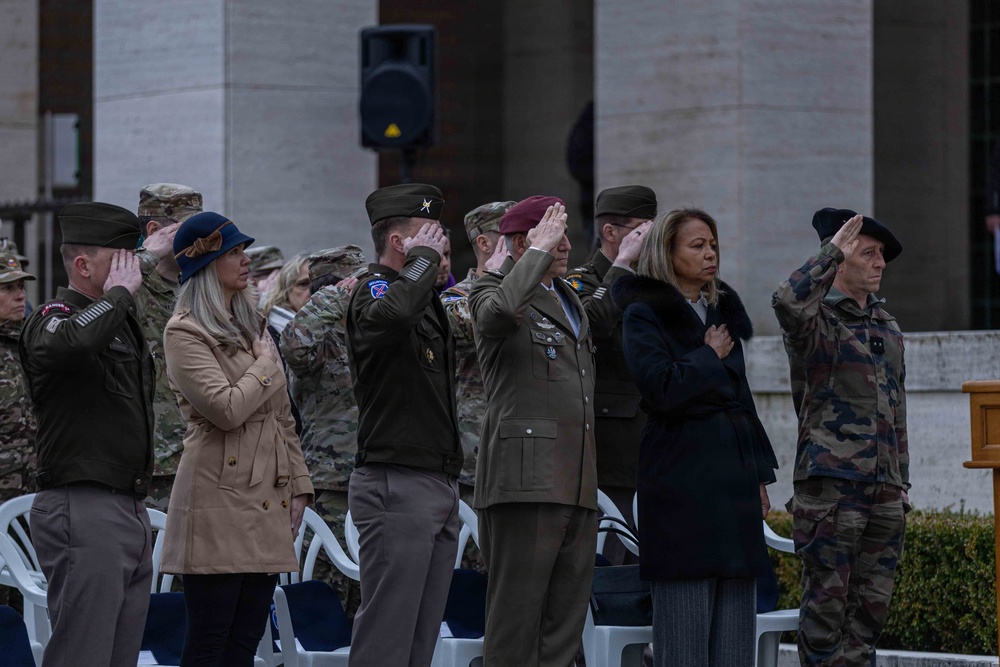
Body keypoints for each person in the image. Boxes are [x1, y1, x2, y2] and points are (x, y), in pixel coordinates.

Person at [611, 208, 778, 666]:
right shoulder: (643, 313)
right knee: (684, 631)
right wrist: (707, 356)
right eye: (697, 245)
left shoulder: (720, 310)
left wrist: (760, 476)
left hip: (732, 476)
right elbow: (660, 388)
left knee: (735, 629)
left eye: (713, 245)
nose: (710, 254)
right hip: (681, 475)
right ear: (667, 253)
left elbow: (741, 397)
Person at [160, 211, 314, 666]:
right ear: (207, 265)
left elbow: (283, 419)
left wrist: (300, 486)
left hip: (268, 492)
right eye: (234, 252)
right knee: (211, 640)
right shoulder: (184, 330)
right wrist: (267, 366)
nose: (245, 260)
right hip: (218, 498)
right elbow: (225, 409)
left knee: (245, 642)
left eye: (244, 250)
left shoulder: (252, 326)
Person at [18, 202, 154, 667]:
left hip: (128, 505)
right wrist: (117, 296)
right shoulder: (53, 316)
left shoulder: (117, 323)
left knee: (120, 656)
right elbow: (71, 342)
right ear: (82, 265)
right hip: (83, 505)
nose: (131, 270)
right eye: (121, 259)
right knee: (84, 654)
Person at [772, 208, 909, 666]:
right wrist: (828, 255)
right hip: (832, 488)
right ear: (841, 259)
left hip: (883, 490)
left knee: (868, 619)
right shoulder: (818, 321)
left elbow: (897, 414)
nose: (879, 263)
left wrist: (900, 484)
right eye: (867, 253)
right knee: (825, 618)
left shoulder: (887, 325)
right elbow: (788, 301)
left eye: (881, 255)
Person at [469, 196, 598, 667]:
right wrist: (534, 256)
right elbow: (496, 316)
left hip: (575, 478)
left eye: (563, 234)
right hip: (525, 482)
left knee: (563, 628)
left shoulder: (568, 297)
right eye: (552, 234)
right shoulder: (491, 287)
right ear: (523, 242)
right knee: (515, 625)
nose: (565, 244)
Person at [345, 183, 463, 667]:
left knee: (420, 640)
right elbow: (388, 318)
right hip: (396, 480)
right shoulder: (377, 288)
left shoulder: (424, 298)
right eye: (428, 234)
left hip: (434, 478)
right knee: (387, 638)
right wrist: (422, 264)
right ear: (399, 243)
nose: (440, 245)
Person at [565, 184, 654, 563]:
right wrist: (620, 269)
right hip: (613, 452)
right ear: (610, 232)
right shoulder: (579, 282)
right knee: (615, 563)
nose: (648, 242)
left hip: (656, 446)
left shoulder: (654, 286)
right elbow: (591, 326)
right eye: (638, 232)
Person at [280, 245, 365, 615]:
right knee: (325, 605)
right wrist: (333, 298)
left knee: (366, 601)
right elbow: (295, 344)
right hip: (329, 486)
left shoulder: (368, 332)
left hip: (371, 481)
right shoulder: (316, 338)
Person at [134, 182, 204, 510]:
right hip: (152, 466)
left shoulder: (200, 289)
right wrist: (146, 256)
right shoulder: (130, 289)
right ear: (154, 230)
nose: (199, 239)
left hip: (202, 459)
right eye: (187, 230)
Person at [441, 200, 515, 501]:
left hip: (525, 455)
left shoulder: (540, 294)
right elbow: (484, 322)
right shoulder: (453, 299)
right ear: (484, 242)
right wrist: (498, 280)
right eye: (512, 235)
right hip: (476, 455)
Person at [0, 250, 37, 501]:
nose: (20, 295)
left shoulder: (31, 341)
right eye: (8, 288)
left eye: (21, 286)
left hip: (34, 487)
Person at [262, 254, 311, 334]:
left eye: (318, 283)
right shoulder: (270, 333)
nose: (313, 291)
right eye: (304, 284)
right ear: (285, 290)